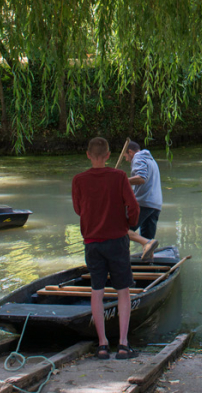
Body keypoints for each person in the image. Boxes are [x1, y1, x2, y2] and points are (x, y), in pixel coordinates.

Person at [72, 137, 143, 360]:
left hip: (93, 243)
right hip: (117, 240)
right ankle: (123, 344)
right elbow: (133, 206)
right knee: (123, 291)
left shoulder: (79, 180)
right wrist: (130, 223)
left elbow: (78, 209)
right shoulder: (120, 177)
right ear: (109, 156)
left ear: (88, 155)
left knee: (97, 291)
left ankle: (102, 345)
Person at [124, 141, 162, 241]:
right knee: (147, 240)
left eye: (126, 156)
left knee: (121, 231)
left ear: (130, 152)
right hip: (155, 204)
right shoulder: (151, 159)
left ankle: (118, 255)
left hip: (143, 203)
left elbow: (141, 178)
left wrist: (121, 181)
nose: (127, 160)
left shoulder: (138, 157)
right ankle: (148, 255)